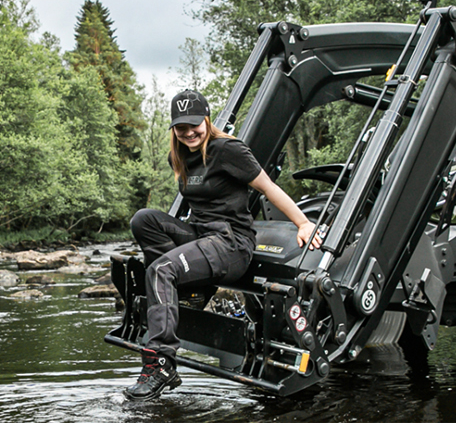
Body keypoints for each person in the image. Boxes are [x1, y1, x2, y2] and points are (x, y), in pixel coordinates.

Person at [123, 89, 322, 400]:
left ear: (207, 119)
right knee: (143, 219)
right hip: (201, 235)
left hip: (232, 244)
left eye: (194, 125)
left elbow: (268, 187)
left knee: (161, 270)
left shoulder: (229, 150)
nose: (189, 132)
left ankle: (161, 364)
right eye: (181, 127)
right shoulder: (179, 156)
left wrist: (304, 223)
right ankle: (188, 292)